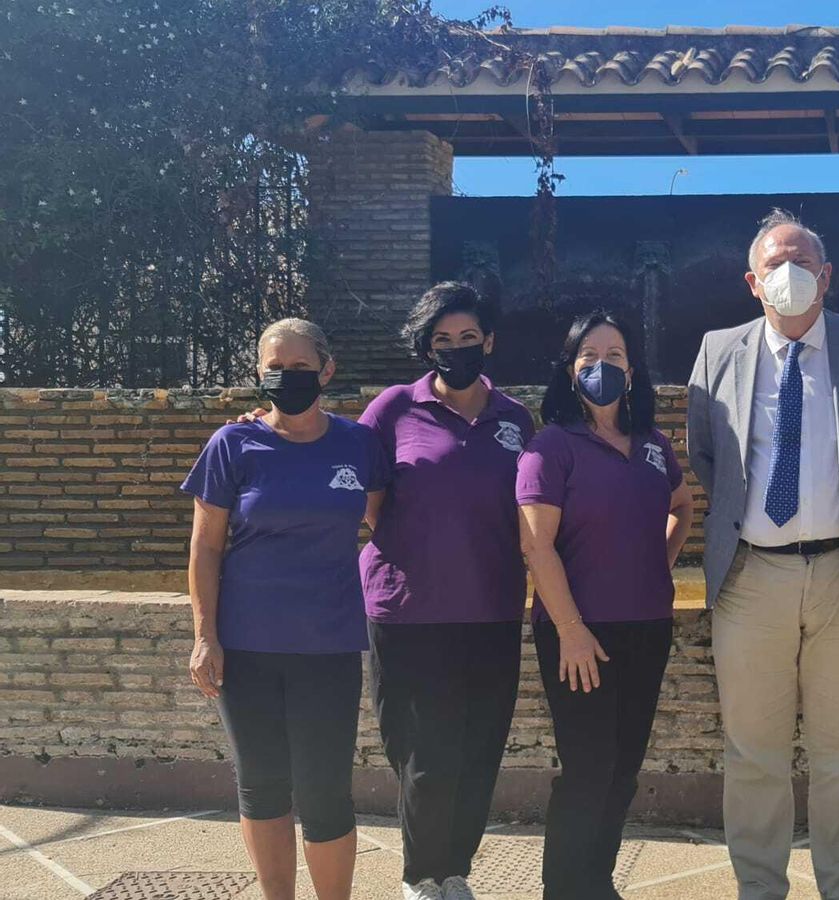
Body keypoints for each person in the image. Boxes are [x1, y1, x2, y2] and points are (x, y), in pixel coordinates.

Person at [687, 208, 839, 900]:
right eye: (776, 264)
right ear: (753, 281)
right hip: (753, 576)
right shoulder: (718, 351)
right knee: (754, 754)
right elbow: (706, 457)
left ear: (827, 275)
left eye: (803, 262)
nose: (791, 274)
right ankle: (761, 888)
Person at [183, 318, 386, 900]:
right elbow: (205, 547)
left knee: (326, 793)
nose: (287, 377)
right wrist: (204, 635)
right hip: (246, 649)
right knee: (263, 788)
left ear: (327, 369)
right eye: (276, 367)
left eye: (301, 368)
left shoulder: (358, 444)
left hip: (328, 647)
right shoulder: (233, 444)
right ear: (258, 371)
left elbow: (389, 522)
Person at [360, 282, 536, 900]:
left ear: (488, 341)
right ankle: (419, 875)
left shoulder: (515, 419)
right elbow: (365, 499)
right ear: (425, 346)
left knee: (480, 748)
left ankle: (455, 870)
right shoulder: (392, 411)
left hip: (490, 611)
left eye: (468, 338)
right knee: (422, 753)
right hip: (410, 612)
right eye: (443, 340)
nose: (457, 349)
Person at [517, 312, 694, 898]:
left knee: (622, 772)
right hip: (579, 636)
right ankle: (565, 889)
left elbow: (682, 506)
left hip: (646, 627)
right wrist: (569, 628)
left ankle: (596, 881)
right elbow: (536, 543)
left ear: (631, 368)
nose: (602, 366)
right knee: (588, 770)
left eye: (614, 355)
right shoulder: (552, 446)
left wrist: (656, 564)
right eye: (588, 356)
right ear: (570, 371)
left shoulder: (651, 444)